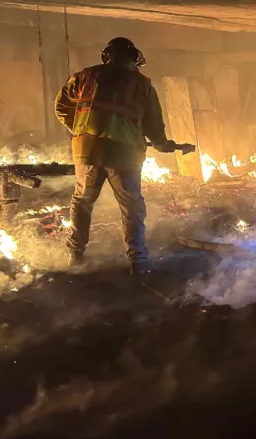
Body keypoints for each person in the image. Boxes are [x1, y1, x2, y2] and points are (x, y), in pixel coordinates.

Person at [54, 37, 193, 275]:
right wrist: (163, 146)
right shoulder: (142, 84)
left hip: (87, 151)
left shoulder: (85, 77)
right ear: (134, 59)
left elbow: (61, 106)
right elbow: (153, 126)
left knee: (82, 202)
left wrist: (81, 130)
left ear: (107, 56)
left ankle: (75, 255)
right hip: (124, 155)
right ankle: (138, 262)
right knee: (132, 206)